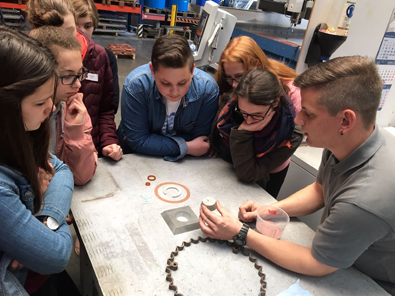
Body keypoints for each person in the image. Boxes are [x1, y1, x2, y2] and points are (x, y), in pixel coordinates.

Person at [199, 56, 395, 295]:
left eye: (309, 114)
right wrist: (268, 210)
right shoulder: (349, 142)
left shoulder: (363, 199)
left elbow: (316, 263)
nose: (299, 120)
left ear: (345, 120)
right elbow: (319, 191)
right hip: (347, 260)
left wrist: (240, 233)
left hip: (374, 283)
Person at [0, 26, 79, 296]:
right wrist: (50, 223)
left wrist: (39, 225)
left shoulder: (18, 136)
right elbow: (55, 255)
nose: (51, 109)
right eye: (39, 103)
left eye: (50, 98)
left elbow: (60, 168)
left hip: (33, 277)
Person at [26, 0, 123, 161]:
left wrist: (107, 141)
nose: (79, 35)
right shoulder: (24, 62)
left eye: (86, 27)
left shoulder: (100, 56)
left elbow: (106, 109)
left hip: (85, 150)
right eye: (67, 75)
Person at [117, 34, 219, 161]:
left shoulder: (208, 90)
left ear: (192, 70)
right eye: (166, 83)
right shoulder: (136, 86)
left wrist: (150, 141)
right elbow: (138, 141)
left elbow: (200, 140)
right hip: (136, 158)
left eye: (182, 83)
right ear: (152, 70)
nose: (175, 92)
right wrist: (187, 147)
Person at [210, 68, 303, 198]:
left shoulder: (291, 135)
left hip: (263, 180)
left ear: (275, 102)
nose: (248, 120)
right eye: (244, 112)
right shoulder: (231, 107)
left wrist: (242, 132)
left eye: (257, 114)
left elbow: (248, 174)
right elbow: (216, 139)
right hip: (227, 171)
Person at [29, 26, 97, 186]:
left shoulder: (73, 108)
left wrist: (76, 132)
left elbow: (82, 177)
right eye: (67, 76)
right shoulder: (23, 115)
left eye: (80, 73)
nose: (78, 84)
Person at [216, 36, 301, 114]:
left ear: (258, 65)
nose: (234, 85)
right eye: (229, 78)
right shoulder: (227, 86)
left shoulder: (292, 93)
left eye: (240, 76)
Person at [71, 0, 120, 114]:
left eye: (87, 26)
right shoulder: (55, 56)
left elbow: (111, 106)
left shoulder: (106, 57)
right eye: (75, 26)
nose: (82, 32)